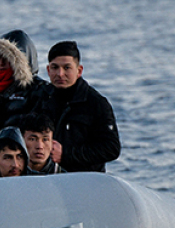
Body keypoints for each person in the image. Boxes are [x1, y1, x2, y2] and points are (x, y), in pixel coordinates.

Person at [32, 41, 120, 173]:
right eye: (55, 67)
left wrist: (66, 154)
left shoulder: (96, 103)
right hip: (46, 177)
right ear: (48, 70)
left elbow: (111, 148)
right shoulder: (40, 98)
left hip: (84, 180)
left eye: (67, 68)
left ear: (79, 71)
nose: (60, 74)